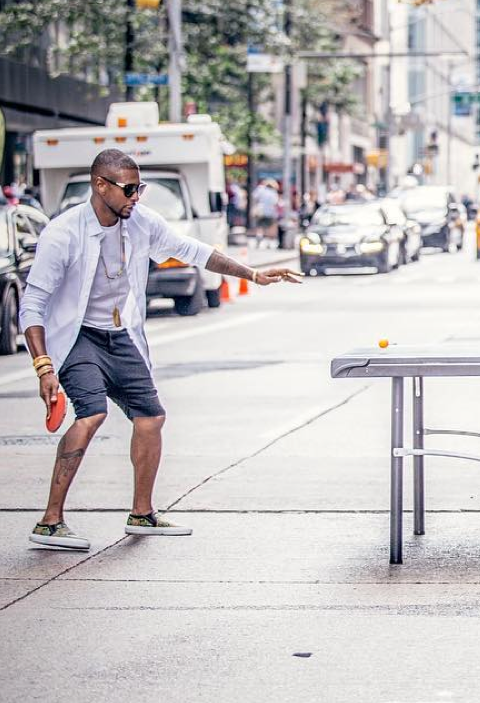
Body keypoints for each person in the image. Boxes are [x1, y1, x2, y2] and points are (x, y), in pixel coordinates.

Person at [18, 149, 301, 552]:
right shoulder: (63, 233)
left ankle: (142, 513)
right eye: (129, 189)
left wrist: (253, 274)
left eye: (140, 188)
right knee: (92, 413)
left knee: (151, 417)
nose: (136, 197)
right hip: (78, 335)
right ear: (100, 185)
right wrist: (44, 367)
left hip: (120, 334)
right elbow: (33, 303)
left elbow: (195, 252)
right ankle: (49, 522)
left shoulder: (141, 224)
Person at [251, 178, 280, 247]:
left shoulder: (261, 189)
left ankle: (259, 238)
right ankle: (268, 242)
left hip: (260, 211)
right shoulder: (273, 192)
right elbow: (275, 202)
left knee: (259, 226)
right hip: (270, 211)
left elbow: (254, 196)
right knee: (269, 227)